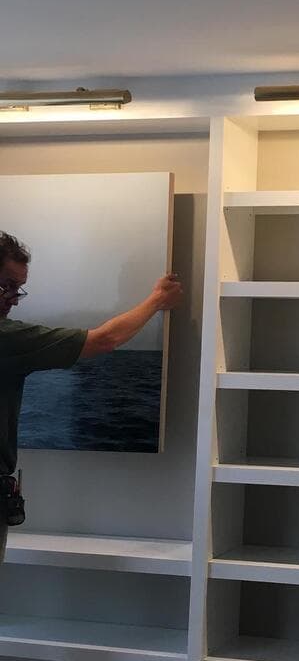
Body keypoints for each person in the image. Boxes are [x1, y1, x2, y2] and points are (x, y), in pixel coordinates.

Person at [0, 230, 182, 561]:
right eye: (6, 286)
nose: (13, 298)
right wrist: (157, 299)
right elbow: (103, 340)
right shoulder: (7, 339)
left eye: (18, 290)